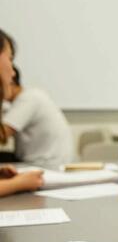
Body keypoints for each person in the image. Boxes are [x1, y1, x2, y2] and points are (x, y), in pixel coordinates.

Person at [0, 30, 73, 168]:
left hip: (45, 164)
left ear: (13, 82)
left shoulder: (29, 98)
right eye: (9, 59)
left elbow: (3, 135)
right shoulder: (20, 100)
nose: (12, 71)